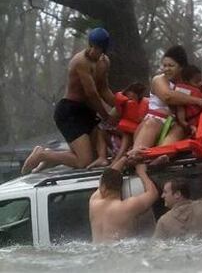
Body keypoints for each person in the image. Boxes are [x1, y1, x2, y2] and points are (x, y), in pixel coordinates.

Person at [21, 27, 116, 174]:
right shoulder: (81, 62)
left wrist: (121, 106)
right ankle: (42, 154)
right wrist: (106, 116)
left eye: (100, 50)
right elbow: (91, 94)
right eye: (93, 48)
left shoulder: (104, 62)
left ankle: (50, 158)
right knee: (85, 161)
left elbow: (104, 90)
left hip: (87, 110)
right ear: (90, 45)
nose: (95, 52)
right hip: (69, 112)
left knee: (99, 156)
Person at [153, 155, 202, 239]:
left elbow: (157, 248)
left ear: (177, 194)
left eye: (165, 192)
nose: (162, 196)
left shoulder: (164, 222)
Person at [89, 157, 159, 243]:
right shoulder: (128, 206)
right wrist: (141, 172)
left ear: (103, 187)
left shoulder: (94, 203)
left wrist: (124, 159)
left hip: (97, 253)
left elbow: (105, 177)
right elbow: (153, 193)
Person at [110, 82, 148, 165]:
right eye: (127, 97)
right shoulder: (119, 107)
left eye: (132, 99)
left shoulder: (144, 105)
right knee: (101, 130)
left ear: (139, 97)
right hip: (117, 137)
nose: (129, 100)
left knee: (127, 134)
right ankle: (103, 157)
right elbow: (110, 123)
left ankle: (117, 160)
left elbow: (142, 123)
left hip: (136, 137)